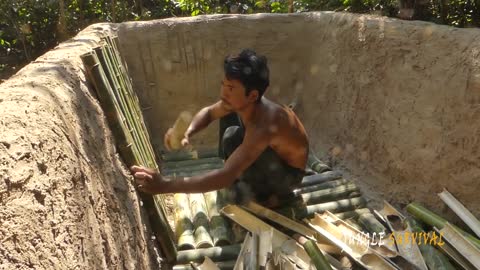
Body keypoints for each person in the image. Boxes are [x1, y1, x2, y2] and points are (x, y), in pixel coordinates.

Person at [131, 49, 309, 207]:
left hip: (287, 177)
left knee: (231, 146)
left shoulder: (264, 124)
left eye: (231, 88)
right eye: (223, 84)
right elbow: (208, 113)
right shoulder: (244, 102)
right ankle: (247, 183)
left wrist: (165, 185)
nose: (224, 92)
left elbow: (225, 176)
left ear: (253, 95)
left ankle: (273, 198)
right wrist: (187, 132)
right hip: (270, 161)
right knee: (231, 132)